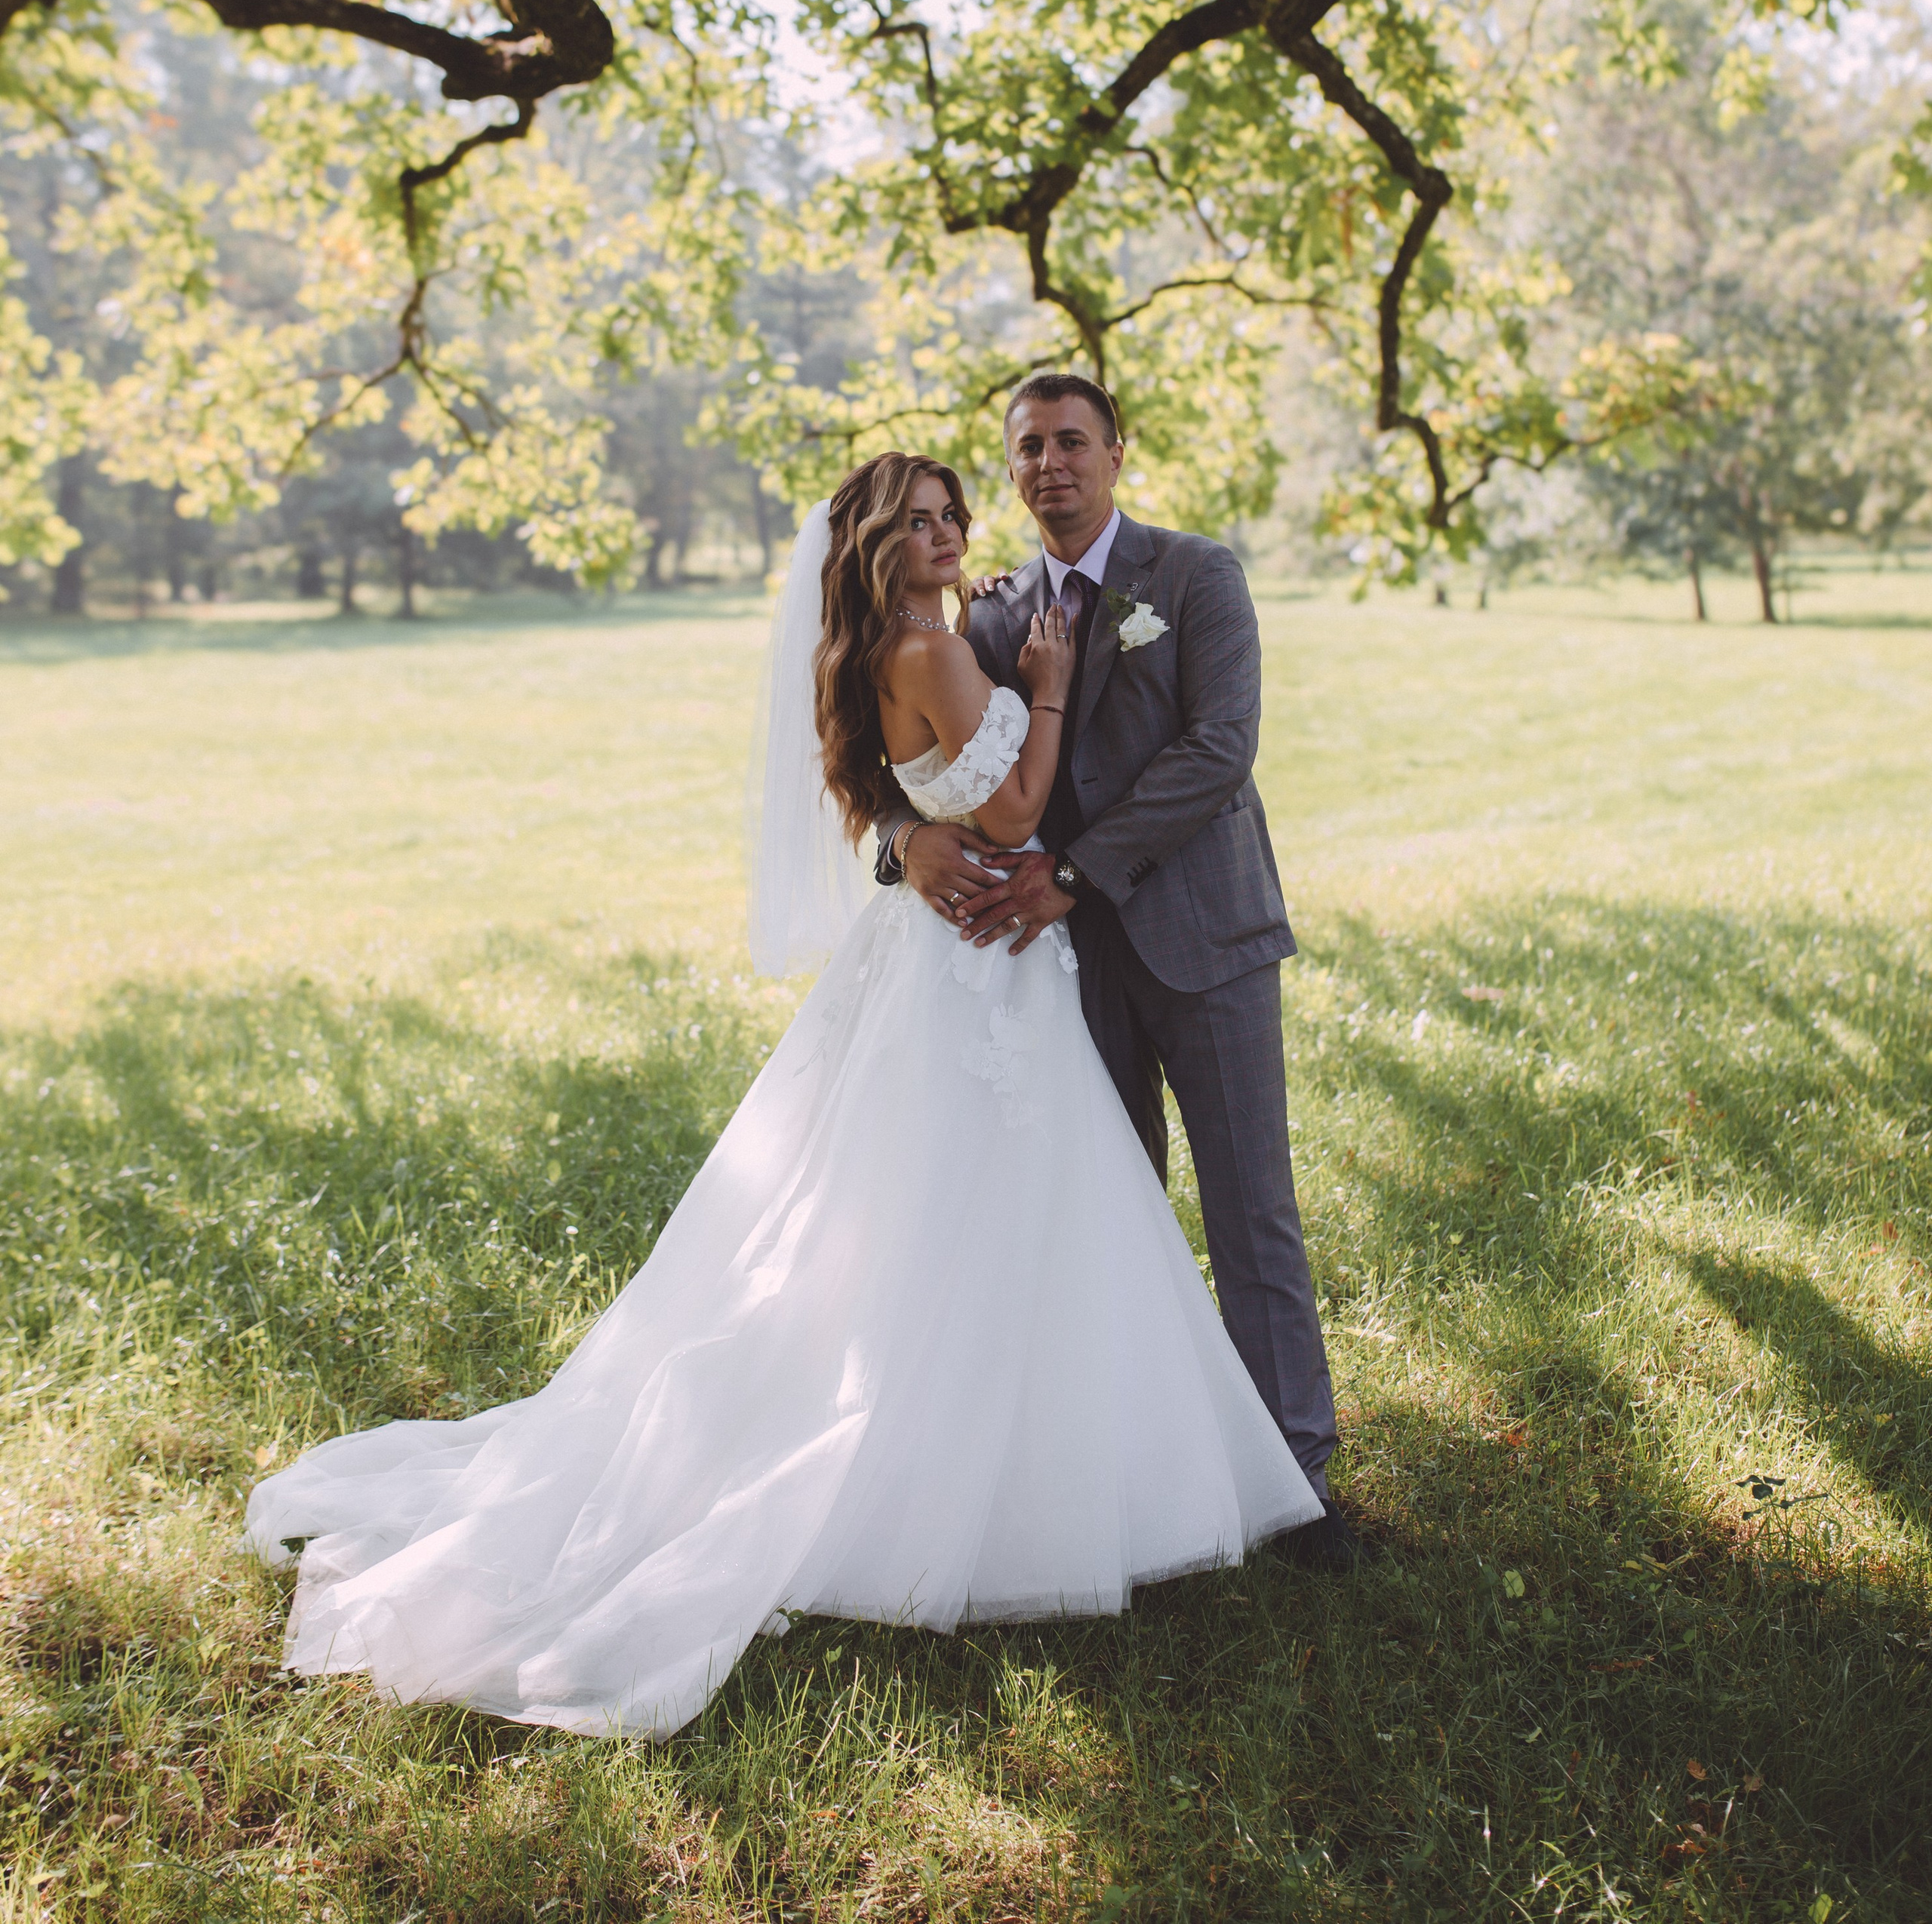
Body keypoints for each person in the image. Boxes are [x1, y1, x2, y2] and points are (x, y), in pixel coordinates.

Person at [244, 452, 1321, 1739]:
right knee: (972, 1224)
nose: (956, 524)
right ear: (875, 541)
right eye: (919, 519)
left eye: (948, 515)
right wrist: (1008, 728)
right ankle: (982, 1484)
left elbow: (1207, 746)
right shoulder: (960, 633)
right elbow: (979, 791)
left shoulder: (1140, 582)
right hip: (986, 962)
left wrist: (957, 805)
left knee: (1109, 1218)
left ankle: (1246, 1472)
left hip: (1122, 939)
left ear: (1108, 453)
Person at [875, 373, 1361, 1568]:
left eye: (1071, 441)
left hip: (1206, 939)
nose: (1051, 462)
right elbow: (916, 747)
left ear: (1116, 452)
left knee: (1252, 1210)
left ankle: (1296, 1479)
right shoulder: (989, 613)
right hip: (1066, 969)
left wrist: (1077, 874)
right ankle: (1149, 1469)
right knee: (1115, 1214)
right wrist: (900, 838)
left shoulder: (1196, 576)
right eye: (1029, 446)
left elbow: (1216, 750)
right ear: (1013, 470)